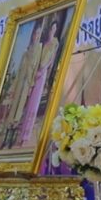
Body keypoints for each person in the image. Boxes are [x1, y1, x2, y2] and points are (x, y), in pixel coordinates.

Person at [16, 17, 62, 147]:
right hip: (35, 74)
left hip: (42, 75)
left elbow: (51, 60)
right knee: (28, 102)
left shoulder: (54, 43)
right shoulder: (43, 43)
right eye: (51, 28)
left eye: (54, 28)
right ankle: (22, 132)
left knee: (34, 104)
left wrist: (42, 71)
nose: (52, 30)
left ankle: (26, 134)